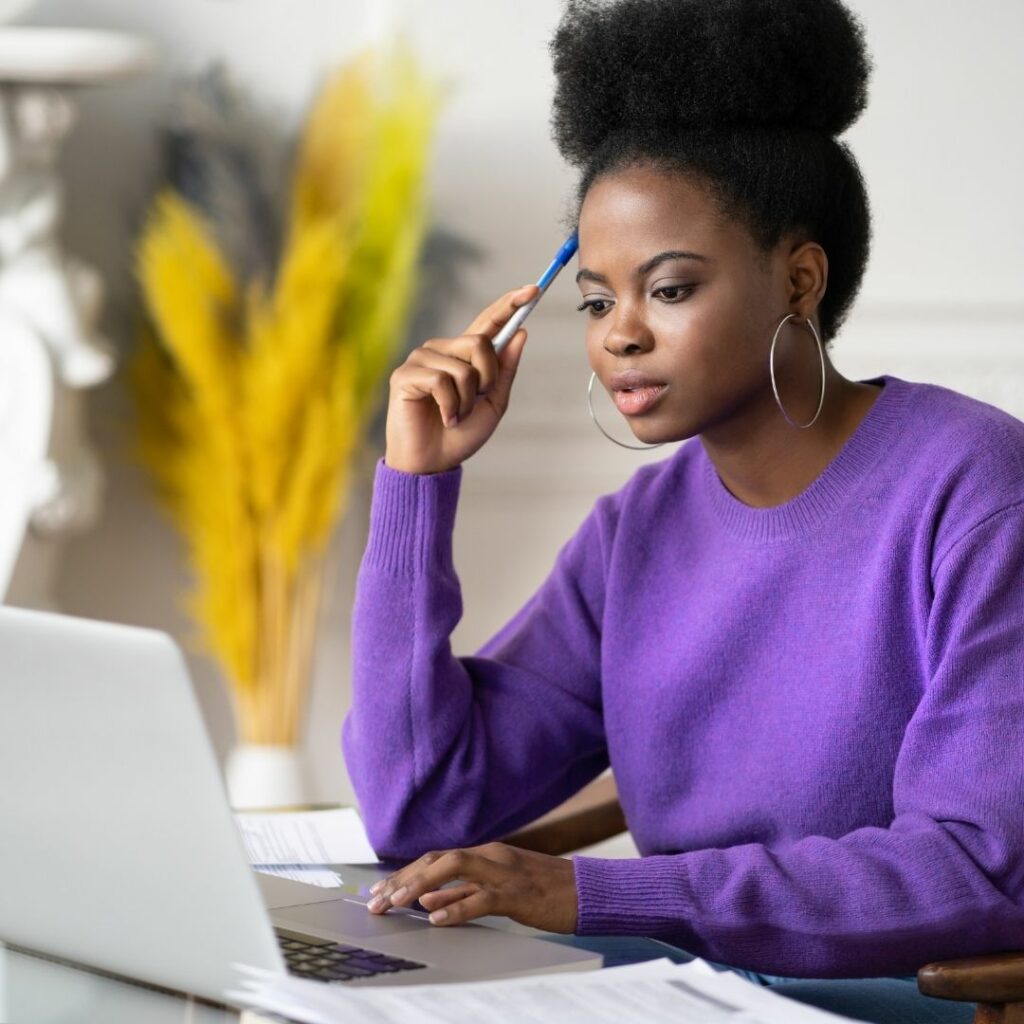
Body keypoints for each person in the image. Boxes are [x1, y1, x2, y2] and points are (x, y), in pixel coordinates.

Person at [342, 0, 1023, 1019]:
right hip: (673, 995)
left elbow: (973, 868)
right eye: (597, 298)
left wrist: (590, 892)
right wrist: (416, 485)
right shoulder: (637, 533)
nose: (618, 335)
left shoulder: (974, 488)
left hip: (895, 1002)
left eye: (667, 289)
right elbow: (418, 804)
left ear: (798, 279)